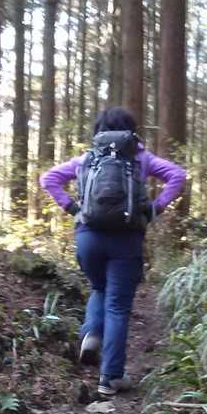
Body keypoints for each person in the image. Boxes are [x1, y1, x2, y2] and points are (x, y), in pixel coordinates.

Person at [39, 107, 188, 397]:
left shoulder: (87, 159)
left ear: (99, 131)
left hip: (89, 236)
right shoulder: (140, 158)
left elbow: (49, 179)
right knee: (118, 306)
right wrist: (155, 208)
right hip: (127, 238)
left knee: (99, 287)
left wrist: (73, 208)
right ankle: (110, 377)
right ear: (132, 131)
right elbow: (177, 175)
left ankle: (92, 334)